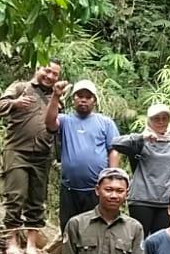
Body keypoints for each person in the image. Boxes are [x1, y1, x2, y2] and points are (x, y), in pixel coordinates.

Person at [0, 61, 61, 254]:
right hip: (16, 150)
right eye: (47, 70)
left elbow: (56, 126)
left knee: (37, 201)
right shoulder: (20, 87)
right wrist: (15, 103)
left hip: (42, 155)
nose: (49, 76)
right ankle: (11, 240)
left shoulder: (56, 98)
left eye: (55, 74)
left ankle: (31, 244)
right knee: (15, 196)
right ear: (37, 69)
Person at [110, 103, 170, 235]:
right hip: (141, 200)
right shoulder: (140, 141)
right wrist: (141, 137)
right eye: (156, 118)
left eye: (165, 118)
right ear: (149, 121)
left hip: (166, 201)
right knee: (138, 241)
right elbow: (115, 143)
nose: (161, 121)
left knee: (160, 242)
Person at [49, 80, 120, 229]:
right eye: (79, 96)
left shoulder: (105, 122)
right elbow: (49, 123)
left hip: (96, 189)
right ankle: (68, 253)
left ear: (94, 100)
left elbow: (113, 149)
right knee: (69, 228)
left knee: (96, 229)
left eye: (88, 97)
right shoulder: (65, 120)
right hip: (69, 188)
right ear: (73, 99)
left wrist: (112, 177)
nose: (83, 100)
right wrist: (55, 96)